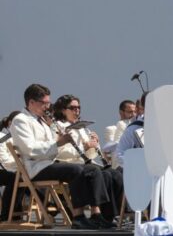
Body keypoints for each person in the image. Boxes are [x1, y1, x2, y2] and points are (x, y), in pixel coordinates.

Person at [10, 83, 112, 228]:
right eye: (44, 103)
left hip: (49, 162)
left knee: (92, 169)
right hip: (36, 167)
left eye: (48, 103)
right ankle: (78, 216)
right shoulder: (21, 120)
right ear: (31, 102)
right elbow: (30, 149)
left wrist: (62, 139)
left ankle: (96, 214)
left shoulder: (42, 121)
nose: (47, 107)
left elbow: (52, 143)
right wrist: (57, 143)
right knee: (75, 170)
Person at [52, 94, 123, 224]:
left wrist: (95, 144)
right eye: (72, 108)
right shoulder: (57, 126)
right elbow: (59, 152)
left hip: (84, 163)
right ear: (63, 110)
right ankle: (100, 214)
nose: (77, 110)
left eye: (78, 107)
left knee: (114, 174)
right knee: (101, 174)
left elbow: (90, 156)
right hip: (68, 164)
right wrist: (85, 147)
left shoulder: (82, 127)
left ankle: (111, 214)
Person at [104, 100, 137, 168]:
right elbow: (111, 154)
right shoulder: (112, 129)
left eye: (135, 112)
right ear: (121, 113)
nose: (133, 114)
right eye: (130, 112)